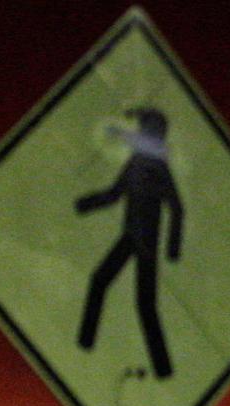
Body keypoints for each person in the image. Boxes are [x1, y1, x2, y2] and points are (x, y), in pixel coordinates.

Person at [76, 107, 184, 379]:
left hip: (146, 242)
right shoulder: (136, 163)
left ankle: (163, 369)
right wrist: (85, 204)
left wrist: (172, 249)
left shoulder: (159, 169)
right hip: (130, 237)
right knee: (100, 282)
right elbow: (114, 195)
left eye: (143, 129)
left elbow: (177, 208)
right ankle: (85, 342)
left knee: (145, 304)